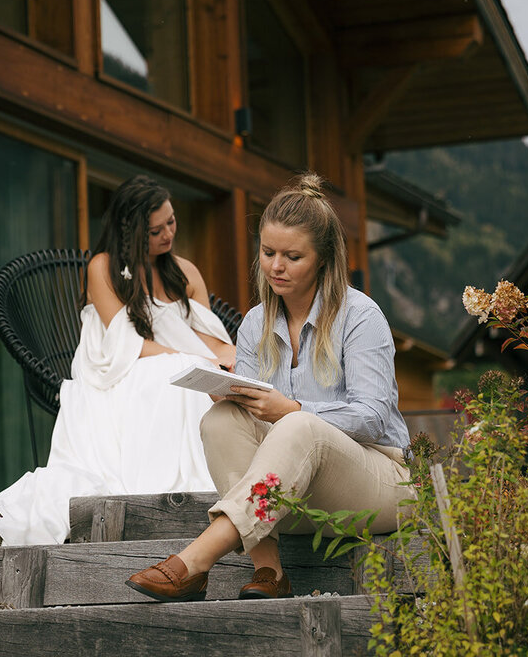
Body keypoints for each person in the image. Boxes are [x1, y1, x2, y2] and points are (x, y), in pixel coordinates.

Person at [125, 173, 413, 602]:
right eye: (268, 252)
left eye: (292, 256)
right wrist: (233, 393)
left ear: (322, 258)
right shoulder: (256, 323)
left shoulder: (361, 317)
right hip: (293, 500)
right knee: (222, 420)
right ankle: (269, 571)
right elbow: (261, 417)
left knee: (299, 425)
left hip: (381, 485)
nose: (275, 266)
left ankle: (196, 561)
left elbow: (372, 419)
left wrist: (293, 408)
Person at [0, 175, 236, 545]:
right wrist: (189, 357)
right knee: (179, 371)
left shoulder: (185, 271)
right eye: (155, 230)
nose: (168, 235)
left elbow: (207, 335)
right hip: (121, 367)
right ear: (131, 232)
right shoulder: (103, 267)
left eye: (172, 222)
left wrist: (228, 356)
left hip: (175, 358)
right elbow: (123, 341)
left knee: (204, 372)